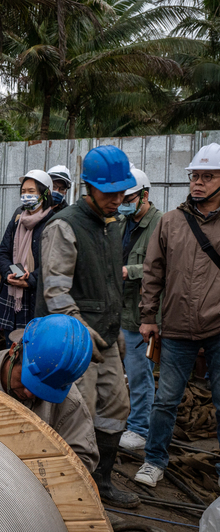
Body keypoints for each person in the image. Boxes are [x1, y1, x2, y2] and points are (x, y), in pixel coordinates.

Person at [36, 145, 140, 509]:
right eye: (109, 193)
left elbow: (111, 284)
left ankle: (102, 482)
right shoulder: (65, 225)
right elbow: (56, 291)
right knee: (78, 413)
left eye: (121, 193)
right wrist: (83, 336)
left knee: (115, 407)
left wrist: (116, 332)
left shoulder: (112, 227)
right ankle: (69, 489)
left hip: (107, 338)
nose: (117, 200)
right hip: (75, 342)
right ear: (89, 188)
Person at [134, 143, 220, 488]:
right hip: (177, 329)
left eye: (207, 176)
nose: (197, 183)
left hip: (218, 328)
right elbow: (153, 272)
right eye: (194, 176)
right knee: (166, 400)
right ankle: (154, 461)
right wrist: (148, 316)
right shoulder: (171, 221)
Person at [0, 315, 98, 472]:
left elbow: (83, 461)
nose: (29, 394)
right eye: (26, 381)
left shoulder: (71, 403)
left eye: (43, 391)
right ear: (13, 351)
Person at [117, 168, 162, 452]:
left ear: (144, 195)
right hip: (119, 309)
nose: (123, 201)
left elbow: (160, 267)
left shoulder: (160, 224)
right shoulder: (122, 222)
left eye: (129, 197)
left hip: (140, 313)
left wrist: (128, 270)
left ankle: (139, 429)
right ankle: (124, 419)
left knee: (139, 373)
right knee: (119, 372)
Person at [0, 170, 56, 347]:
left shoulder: (54, 222)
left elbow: (54, 263)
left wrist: (31, 279)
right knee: (12, 348)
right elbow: (3, 253)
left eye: (31, 191)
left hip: (36, 299)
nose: (25, 196)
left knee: (35, 348)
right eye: (23, 191)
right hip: (12, 295)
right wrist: (9, 273)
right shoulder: (17, 219)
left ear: (45, 194)